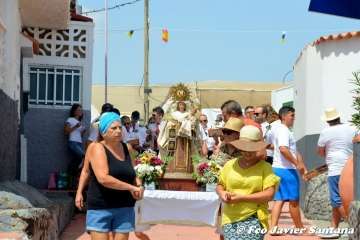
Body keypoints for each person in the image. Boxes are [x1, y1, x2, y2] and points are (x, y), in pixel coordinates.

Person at [85, 112, 144, 240]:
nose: (118, 131)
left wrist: (138, 185)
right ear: (104, 131)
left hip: (124, 206)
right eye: (114, 128)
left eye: (120, 127)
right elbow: (103, 178)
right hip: (101, 206)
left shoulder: (127, 148)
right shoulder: (96, 148)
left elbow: (133, 172)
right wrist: (131, 188)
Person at [216, 125, 280, 240]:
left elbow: (269, 194)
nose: (247, 152)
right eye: (244, 148)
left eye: (251, 149)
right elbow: (220, 185)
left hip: (254, 217)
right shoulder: (230, 165)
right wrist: (222, 193)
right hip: (230, 218)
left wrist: (242, 198)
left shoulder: (265, 168)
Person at [316, 108, 356, 238]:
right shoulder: (351, 127)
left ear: (327, 120)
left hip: (335, 169)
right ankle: (334, 228)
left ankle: (355, 227)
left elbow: (320, 152)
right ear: (338, 117)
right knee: (343, 200)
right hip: (351, 167)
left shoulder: (326, 131)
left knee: (337, 200)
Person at [270, 106, 307, 233]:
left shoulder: (280, 130)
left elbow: (293, 150)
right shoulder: (284, 130)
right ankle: (300, 228)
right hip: (286, 170)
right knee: (294, 200)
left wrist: (302, 165)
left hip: (278, 168)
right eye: (292, 115)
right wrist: (297, 164)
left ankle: (273, 228)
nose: (294, 118)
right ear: (284, 116)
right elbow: (283, 149)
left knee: (279, 200)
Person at [64, 103, 86, 175]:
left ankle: (71, 174)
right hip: (73, 142)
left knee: (77, 159)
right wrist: (76, 126)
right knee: (83, 156)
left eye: (81, 110)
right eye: (78, 110)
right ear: (74, 111)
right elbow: (66, 132)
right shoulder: (70, 119)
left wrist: (83, 131)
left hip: (79, 143)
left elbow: (80, 135)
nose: (80, 112)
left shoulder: (80, 122)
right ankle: (73, 172)